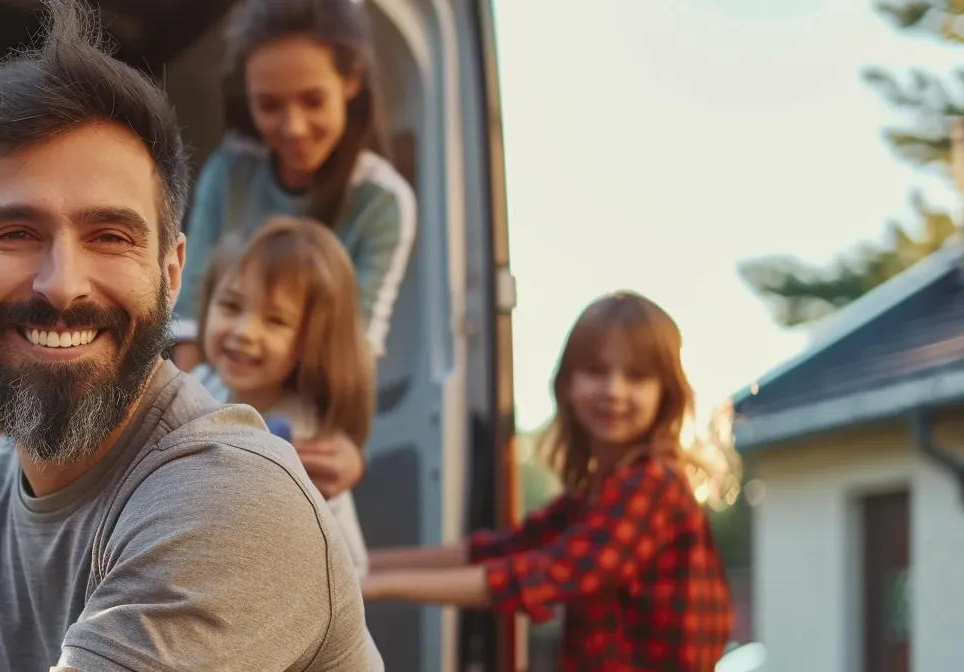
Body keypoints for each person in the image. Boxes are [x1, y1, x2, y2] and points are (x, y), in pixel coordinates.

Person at [0, 1, 380, 670]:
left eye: (110, 236)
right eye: (15, 233)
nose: (62, 284)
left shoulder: (234, 498)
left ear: (171, 275)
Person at [360, 292, 737, 672]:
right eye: (596, 371)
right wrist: (362, 562)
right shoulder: (597, 492)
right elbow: (501, 549)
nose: (614, 390)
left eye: (636, 376)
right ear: (569, 384)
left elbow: (552, 573)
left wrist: (376, 586)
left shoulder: (655, 484)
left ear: (665, 395)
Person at [175, 0, 416, 361]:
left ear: (350, 82)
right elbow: (191, 314)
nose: (294, 128)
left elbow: (357, 349)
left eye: (314, 101)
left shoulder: (383, 200)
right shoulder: (229, 172)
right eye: (270, 106)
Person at [189, 216, 376, 584]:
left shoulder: (294, 434)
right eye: (230, 306)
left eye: (274, 320)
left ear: (312, 342)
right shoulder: (204, 382)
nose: (244, 332)